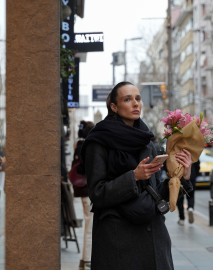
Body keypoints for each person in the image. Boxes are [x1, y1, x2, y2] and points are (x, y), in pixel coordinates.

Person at [80, 82, 193, 270]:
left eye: (138, 99)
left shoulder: (146, 140)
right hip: (118, 242)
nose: (135, 104)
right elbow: (97, 193)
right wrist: (134, 177)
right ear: (114, 107)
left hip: (154, 238)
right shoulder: (98, 141)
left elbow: (155, 192)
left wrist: (182, 177)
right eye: (127, 99)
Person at [70, 120, 94, 270]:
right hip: (89, 191)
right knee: (90, 227)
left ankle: (85, 260)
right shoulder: (88, 147)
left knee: (88, 225)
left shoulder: (77, 146)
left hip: (83, 192)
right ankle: (86, 260)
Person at [177, 160, 200, 225]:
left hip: (178, 177)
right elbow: (197, 165)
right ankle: (190, 208)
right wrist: (195, 174)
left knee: (179, 199)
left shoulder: (175, 151)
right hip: (191, 176)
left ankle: (181, 218)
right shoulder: (192, 151)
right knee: (191, 196)